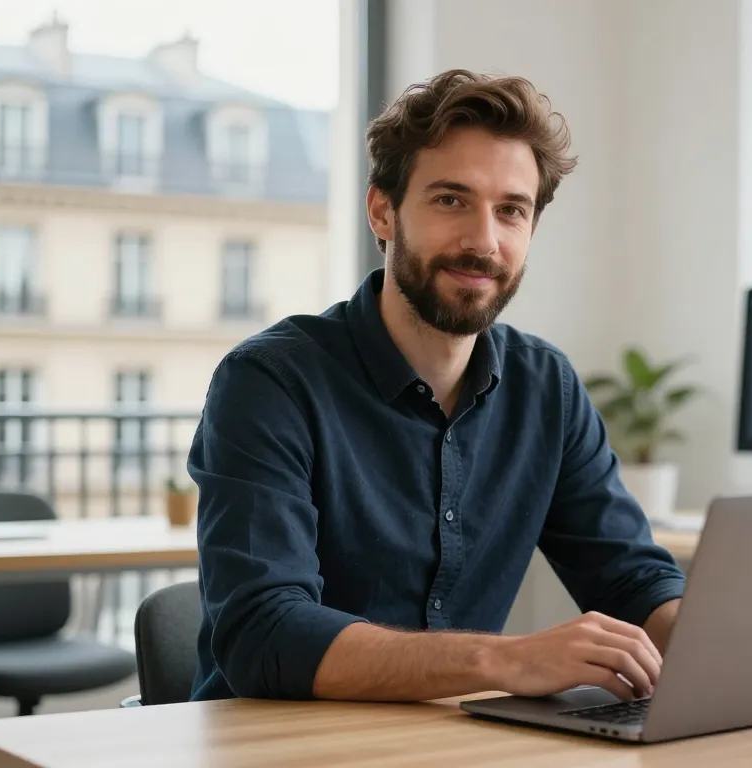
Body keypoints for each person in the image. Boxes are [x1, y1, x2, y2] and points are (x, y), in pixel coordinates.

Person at [188, 69, 687, 704]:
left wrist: (737, 657)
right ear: (382, 211)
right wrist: (503, 661)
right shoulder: (270, 382)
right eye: (451, 200)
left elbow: (633, 581)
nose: (484, 241)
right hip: (279, 744)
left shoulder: (546, 388)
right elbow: (264, 635)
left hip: (450, 743)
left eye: (512, 210)